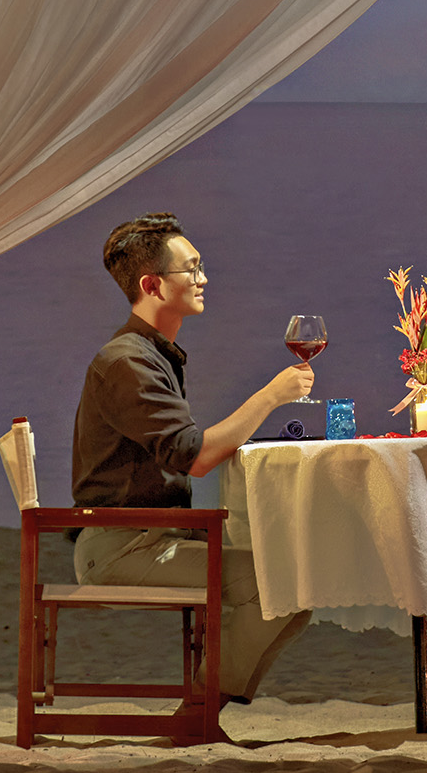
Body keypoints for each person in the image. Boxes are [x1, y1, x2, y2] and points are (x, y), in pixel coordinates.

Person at [69, 211, 317, 700]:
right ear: (153, 284)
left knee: (293, 586)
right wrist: (270, 396)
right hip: (121, 548)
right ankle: (198, 714)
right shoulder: (127, 362)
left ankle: (204, 708)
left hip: (153, 536)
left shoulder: (150, 355)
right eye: (192, 269)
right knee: (277, 587)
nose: (204, 279)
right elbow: (194, 456)